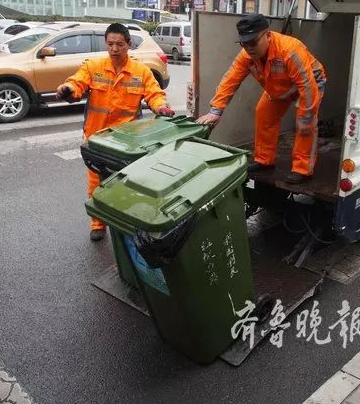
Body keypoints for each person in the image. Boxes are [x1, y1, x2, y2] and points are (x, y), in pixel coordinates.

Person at [56, 23, 175, 241]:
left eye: (119, 44)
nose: (114, 49)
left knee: (125, 183)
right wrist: (68, 90)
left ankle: (124, 223)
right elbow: (77, 83)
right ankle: (98, 223)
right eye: (110, 44)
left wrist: (161, 107)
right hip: (96, 139)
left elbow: (155, 94)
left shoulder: (141, 71)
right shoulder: (93, 67)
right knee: (96, 183)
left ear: (129, 44)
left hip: (127, 143)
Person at [197, 14, 327, 184]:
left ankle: (302, 169)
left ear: (268, 35)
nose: (249, 48)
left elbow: (307, 86)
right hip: (279, 86)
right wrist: (216, 111)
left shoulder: (290, 50)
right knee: (263, 113)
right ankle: (264, 161)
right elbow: (230, 80)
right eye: (244, 43)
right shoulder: (246, 56)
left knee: (305, 125)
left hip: (310, 82)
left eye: (253, 42)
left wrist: (307, 117)